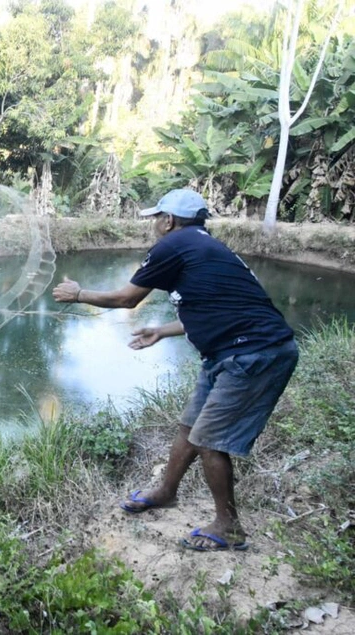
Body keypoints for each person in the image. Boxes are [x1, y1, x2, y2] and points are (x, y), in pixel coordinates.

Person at [51, 188, 297, 552]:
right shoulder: (206, 246)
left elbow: (127, 298)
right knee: (189, 426)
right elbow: (223, 308)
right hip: (230, 353)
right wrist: (162, 330)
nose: (154, 225)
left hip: (253, 355)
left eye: (156, 218)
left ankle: (228, 527)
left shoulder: (173, 244)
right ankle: (166, 491)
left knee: (209, 440)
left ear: (168, 221)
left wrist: (79, 294)